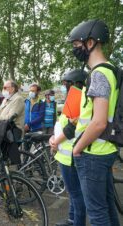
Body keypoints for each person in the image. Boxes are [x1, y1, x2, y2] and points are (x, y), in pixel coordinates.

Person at [69, 19, 120, 225]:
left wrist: (77, 148)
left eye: (76, 45)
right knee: (107, 208)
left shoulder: (98, 74)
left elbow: (99, 122)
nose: (75, 50)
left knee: (97, 213)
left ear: (90, 43)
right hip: (106, 149)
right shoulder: (111, 70)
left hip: (93, 153)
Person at [49, 69, 88, 226]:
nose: (64, 87)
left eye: (66, 84)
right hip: (64, 153)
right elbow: (62, 124)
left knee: (76, 193)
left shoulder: (79, 99)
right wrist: (53, 137)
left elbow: (72, 128)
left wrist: (56, 141)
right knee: (72, 192)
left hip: (70, 155)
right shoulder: (74, 99)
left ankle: (78, 222)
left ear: (75, 84)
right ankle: (72, 219)